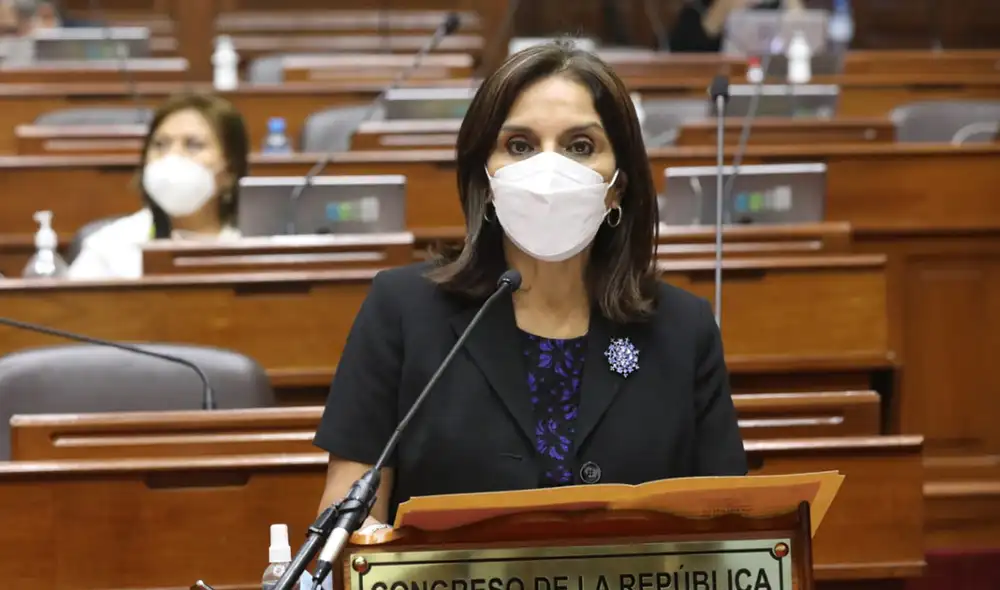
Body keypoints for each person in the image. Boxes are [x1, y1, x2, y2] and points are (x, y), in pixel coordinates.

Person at [313, 41, 747, 532]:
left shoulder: (682, 329)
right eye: (519, 145)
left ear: (619, 185)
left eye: (580, 146)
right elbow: (344, 527)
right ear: (487, 178)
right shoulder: (402, 311)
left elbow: (728, 529)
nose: (548, 170)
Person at [68, 93, 248, 280]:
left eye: (194, 145)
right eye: (160, 145)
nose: (172, 157)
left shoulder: (257, 244)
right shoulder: (110, 247)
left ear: (230, 171)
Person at [669, 0, 804, 53]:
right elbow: (683, 60)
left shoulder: (783, 6)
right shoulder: (694, 11)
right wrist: (722, 9)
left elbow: (809, 45)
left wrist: (793, 6)